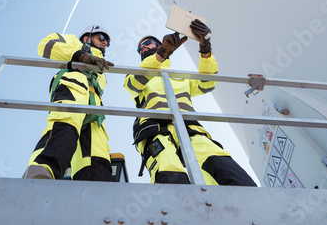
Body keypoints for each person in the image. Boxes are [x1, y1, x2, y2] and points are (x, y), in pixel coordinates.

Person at [124, 19, 256, 186]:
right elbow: (132, 84)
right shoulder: (135, 75)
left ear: (159, 44)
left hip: (190, 128)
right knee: (169, 174)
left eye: (148, 43)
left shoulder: (179, 75)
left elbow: (207, 84)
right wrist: (161, 54)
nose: (144, 48)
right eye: (140, 48)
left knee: (221, 165)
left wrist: (206, 50)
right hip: (154, 131)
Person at [24, 25, 114, 181]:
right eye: (101, 38)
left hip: (95, 108)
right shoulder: (74, 42)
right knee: (65, 127)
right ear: (87, 37)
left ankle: (96, 190)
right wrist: (79, 56)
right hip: (74, 87)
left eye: (107, 41)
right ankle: (41, 174)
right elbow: (46, 45)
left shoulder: (101, 63)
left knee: (96, 153)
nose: (105, 42)